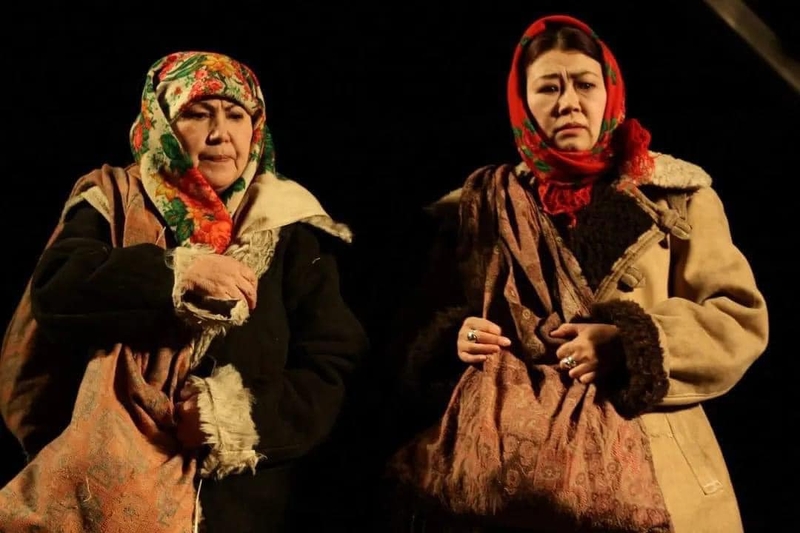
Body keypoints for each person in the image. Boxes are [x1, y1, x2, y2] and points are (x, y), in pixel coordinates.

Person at [381, 14, 768, 533]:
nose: (568, 102)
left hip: (649, 468)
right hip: (510, 480)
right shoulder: (481, 209)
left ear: (610, 93)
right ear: (523, 103)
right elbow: (415, 330)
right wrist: (454, 340)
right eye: (548, 87)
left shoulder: (677, 198)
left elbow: (737, 319)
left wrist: (626, 345)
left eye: (585, 84)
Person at [0, 50, 368, 532]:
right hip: (97, 494)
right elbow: (57, 289)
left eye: (236, 115)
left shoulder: (289, 226)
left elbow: (331, 363)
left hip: (234, 509)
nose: (221, 133)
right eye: (198, 114)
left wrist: (231, 419)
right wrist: (177, 273)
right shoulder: (115, 198)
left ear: (256, 129)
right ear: (162, 125)